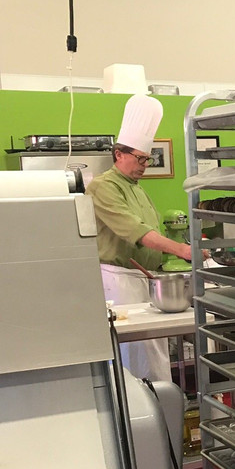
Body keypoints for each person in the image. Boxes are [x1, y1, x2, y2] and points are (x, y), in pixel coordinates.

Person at [86, 94, 195, 381]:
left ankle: (160, 403)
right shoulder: (103, 187)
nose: (145, 164)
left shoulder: (135, 187)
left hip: (142, 279)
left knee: (153, 353)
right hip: (119, 281)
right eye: (140, 158)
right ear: (118, 154)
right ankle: (143, 406)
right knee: (136, 358)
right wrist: (183, 250)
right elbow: (136, 231)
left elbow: (152, 231)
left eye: (147, 159)